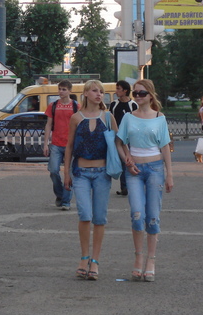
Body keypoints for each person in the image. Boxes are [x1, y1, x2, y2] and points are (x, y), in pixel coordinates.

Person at [116, 79, 173, 282]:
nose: (138, 96)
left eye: (141, 93)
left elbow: (165, 146)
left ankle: (151, 260)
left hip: (155, 168)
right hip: (134, 170)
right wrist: (127, 159)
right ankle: (138, 258)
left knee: (153, 216)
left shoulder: (159, 118)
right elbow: (119, 142)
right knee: (137, 213)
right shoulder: (128, 118)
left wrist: (169, 174)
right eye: (135, 93)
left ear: (150, 95)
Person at [64, 80, 117, 281]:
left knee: (100, 218)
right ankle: (84, 257)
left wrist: (129, 160)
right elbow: (69, 146)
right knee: (84, 214)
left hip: (102, 173)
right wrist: (66, 173)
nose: (99, 94)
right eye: (95, 91)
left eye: (101, 92)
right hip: (81, 173)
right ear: (85, 93)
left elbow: (117, 142)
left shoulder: (108, 117)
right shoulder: (76, 118)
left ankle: (95, 260)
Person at [43, 80, 78, 210]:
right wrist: (46, 143)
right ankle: (60, 194)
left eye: (64, 89)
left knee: (69, 173)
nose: (61, 92)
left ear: (70, 91)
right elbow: (48, 125)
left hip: (71, 144)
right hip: (56, 144)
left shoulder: (76, 106)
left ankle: (66, 201)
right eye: (60, 89)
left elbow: (80, 125)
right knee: (53, 171)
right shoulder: (53, 105)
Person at [109, 80, 138, 195]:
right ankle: (124, 187)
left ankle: (129, 186)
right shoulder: (114, 104)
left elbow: (136, 120)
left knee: (129, 159)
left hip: (130, 136)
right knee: (120, 161)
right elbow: (111, 119)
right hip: (117, 136)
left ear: (125, 91)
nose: (116, 91)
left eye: (118, 89)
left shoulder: (133, 105)